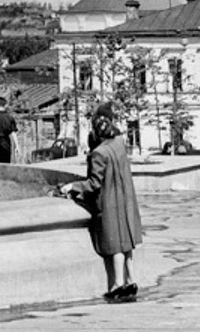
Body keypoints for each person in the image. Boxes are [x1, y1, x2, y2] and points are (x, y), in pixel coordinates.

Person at [61, 102, 143, 302]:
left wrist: (72, 187)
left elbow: (94, 183)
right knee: (127, 244)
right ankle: (131, 281)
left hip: (110, 203)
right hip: (125, 199)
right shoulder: (119, 143)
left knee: (115, 246)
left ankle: (117, 284)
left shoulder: (99, 153)